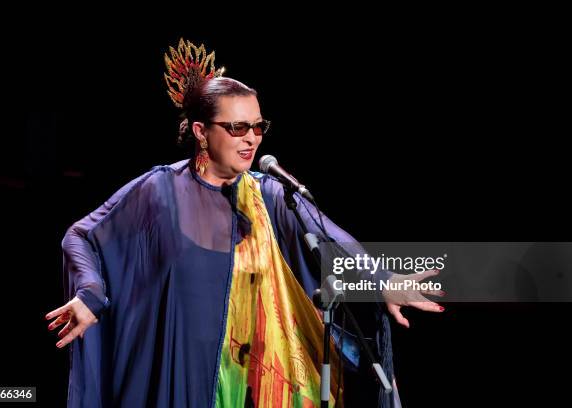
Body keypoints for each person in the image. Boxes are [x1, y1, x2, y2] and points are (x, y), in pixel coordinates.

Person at [45, 39, 443, 408]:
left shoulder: (268, 194)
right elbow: (81, 235)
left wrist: (383, 281)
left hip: (251, 382)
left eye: (258, 126)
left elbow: (330, 239)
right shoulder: (158, 190)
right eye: (237, 127)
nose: (251, 138)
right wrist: (91, 292)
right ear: (201, 132)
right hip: (180, 377)